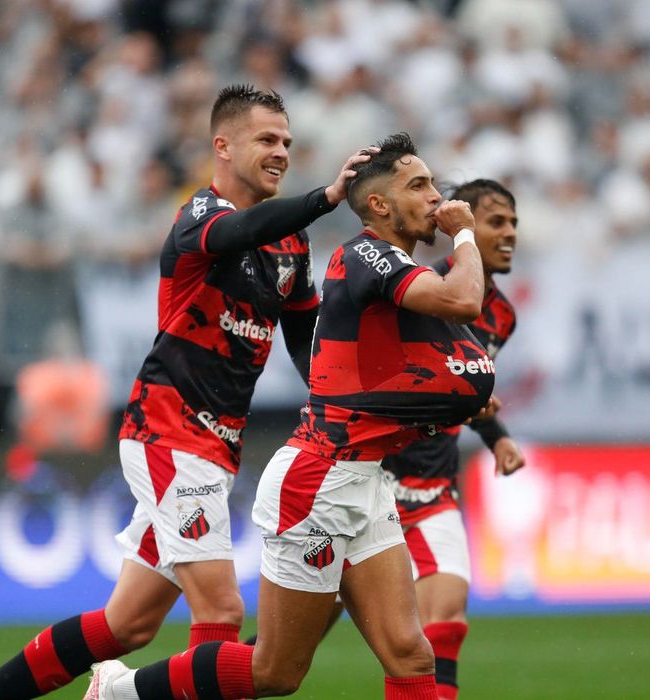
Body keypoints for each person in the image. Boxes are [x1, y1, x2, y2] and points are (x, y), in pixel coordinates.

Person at [0, 85, 372, 700]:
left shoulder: (290, 246)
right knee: (219, 604)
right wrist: (324, 199)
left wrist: (346, 404)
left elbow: (305, 341)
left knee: (126, 624)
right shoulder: (200, 217)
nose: (281, 152)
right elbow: (242, 228)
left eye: (287, 142)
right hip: (170, 430)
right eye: (267, 140)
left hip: (216, 446)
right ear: (223, 145)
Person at [85, 132, 497, 700]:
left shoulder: (397, 271)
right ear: (378, 204)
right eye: (418, 185)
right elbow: (463, 301)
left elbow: (441, 358)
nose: (435, 197)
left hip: (366, 479)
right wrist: (467, 233)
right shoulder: (367, 252)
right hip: (318, 483)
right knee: (275, 672)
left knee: (410, 653)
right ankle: (120, 691)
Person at [381, 177, 525, 700]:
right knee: (279, 661)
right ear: (461, 228)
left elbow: (471, 382)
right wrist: (456, 397)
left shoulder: (502, 314)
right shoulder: (419, 287)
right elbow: (387, 379)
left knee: (444, 626)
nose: (509, 233)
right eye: (495, 222)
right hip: (370, 481)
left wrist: (496, 437)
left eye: (513, 223)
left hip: (433, 487)